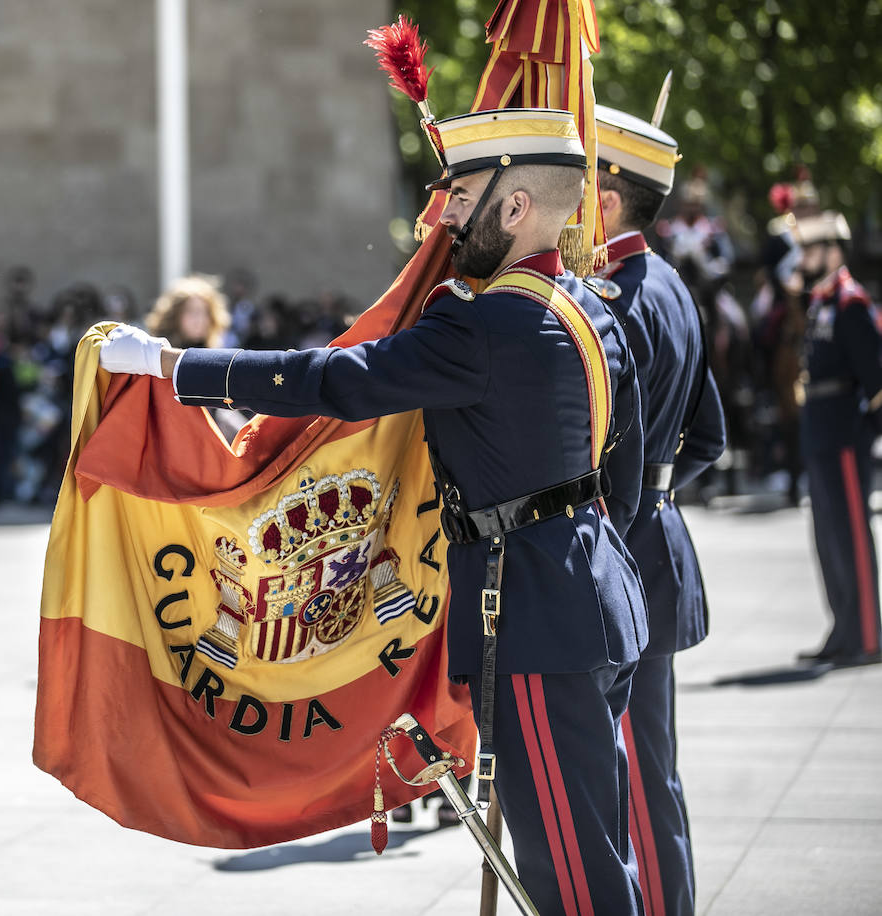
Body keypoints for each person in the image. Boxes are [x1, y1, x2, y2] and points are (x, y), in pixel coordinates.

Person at [100, 108, 649, 913]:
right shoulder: (589, 305)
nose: (444, 216)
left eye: (460, 197)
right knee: (598, 844)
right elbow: (622, 464)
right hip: (597, 594)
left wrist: (174, 365)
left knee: (570, 871)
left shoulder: (484, 320)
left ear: (515, 207)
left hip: (535, 617)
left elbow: (336, 379)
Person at [592, 104, 728, 916]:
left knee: (635, 772)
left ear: (606, 201)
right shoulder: (671, 284)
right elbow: (708, 433)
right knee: (653, 766)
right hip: (660, 537)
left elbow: (610, 447)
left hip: (625, 549)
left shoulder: (614, 298)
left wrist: (630, 505)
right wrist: (662, 496)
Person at [794, 211, 882, 668]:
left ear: (833, 251)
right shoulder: (821, 301)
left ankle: (867, 636)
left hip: (846, 435)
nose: (804, 259)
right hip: (821, 433)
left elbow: (876, 378)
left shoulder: (851, 303)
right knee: (828, 538)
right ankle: (843, 629)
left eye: (812, 249)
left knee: (850, 535)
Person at [143, 275, 246, 441]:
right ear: (175, 315)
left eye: (204, 312)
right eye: (192, 312)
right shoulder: (157, 353)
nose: (200, 320)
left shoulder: (215, 356)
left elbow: (218, 411)